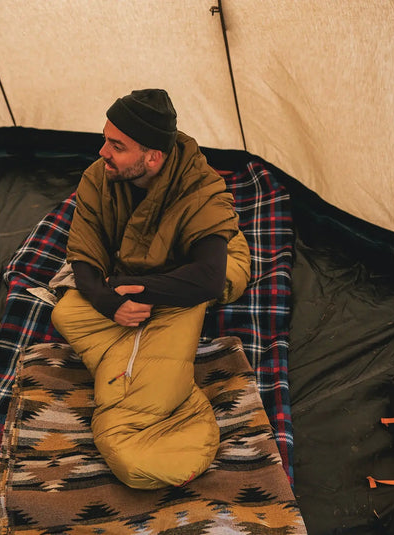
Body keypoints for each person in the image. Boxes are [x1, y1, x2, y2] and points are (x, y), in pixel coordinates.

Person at [51, 88, 251, 490]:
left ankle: (165, 409)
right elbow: (84, 251)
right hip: (146, 273)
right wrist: (110, 303)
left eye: (116, 146)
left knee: (206, 290)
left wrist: (132, 288)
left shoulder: (200, 191)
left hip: (204, 269)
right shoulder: (99, 177)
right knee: (65, 312)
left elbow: (208, 278)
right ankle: (161, 383)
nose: (103, 151)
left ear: (152, 157)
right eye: (105, 139)